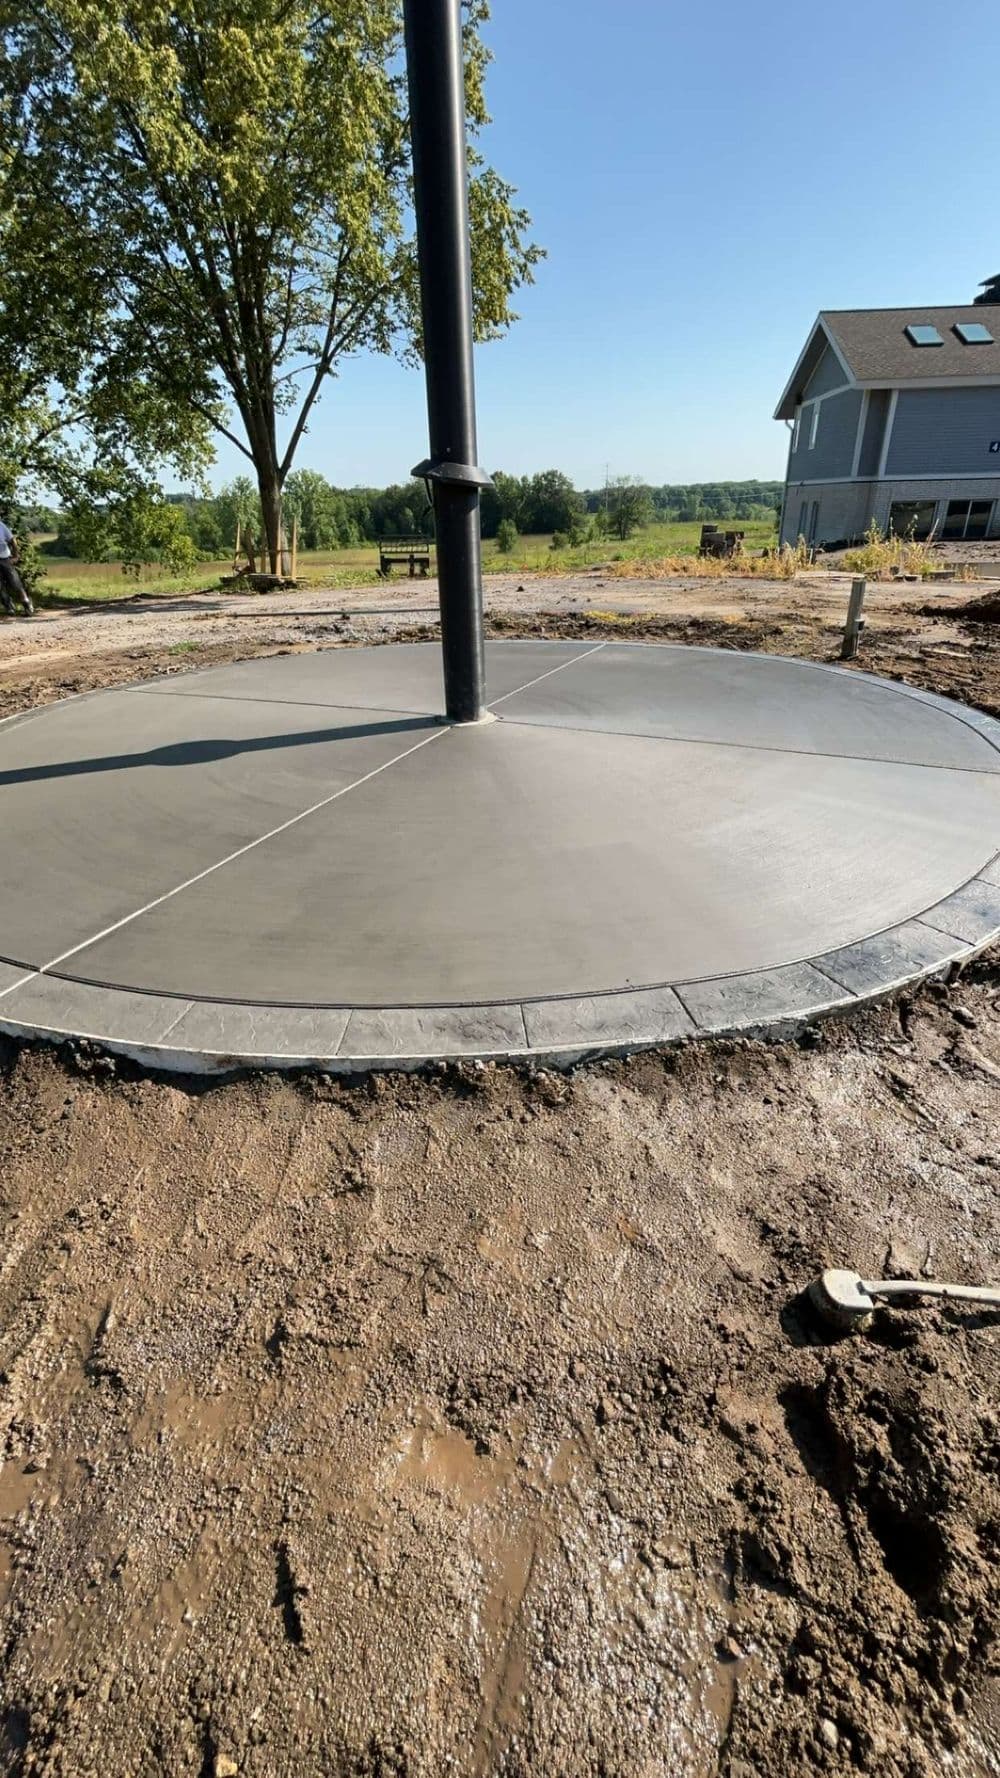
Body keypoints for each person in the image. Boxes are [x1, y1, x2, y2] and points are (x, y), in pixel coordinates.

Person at [0, 514, 33, 615]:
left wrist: (16, 556)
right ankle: (8, 605)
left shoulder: (1, 526)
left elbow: (12, 541)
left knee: (15, 582)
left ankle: (27, 604)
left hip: (4, 558)